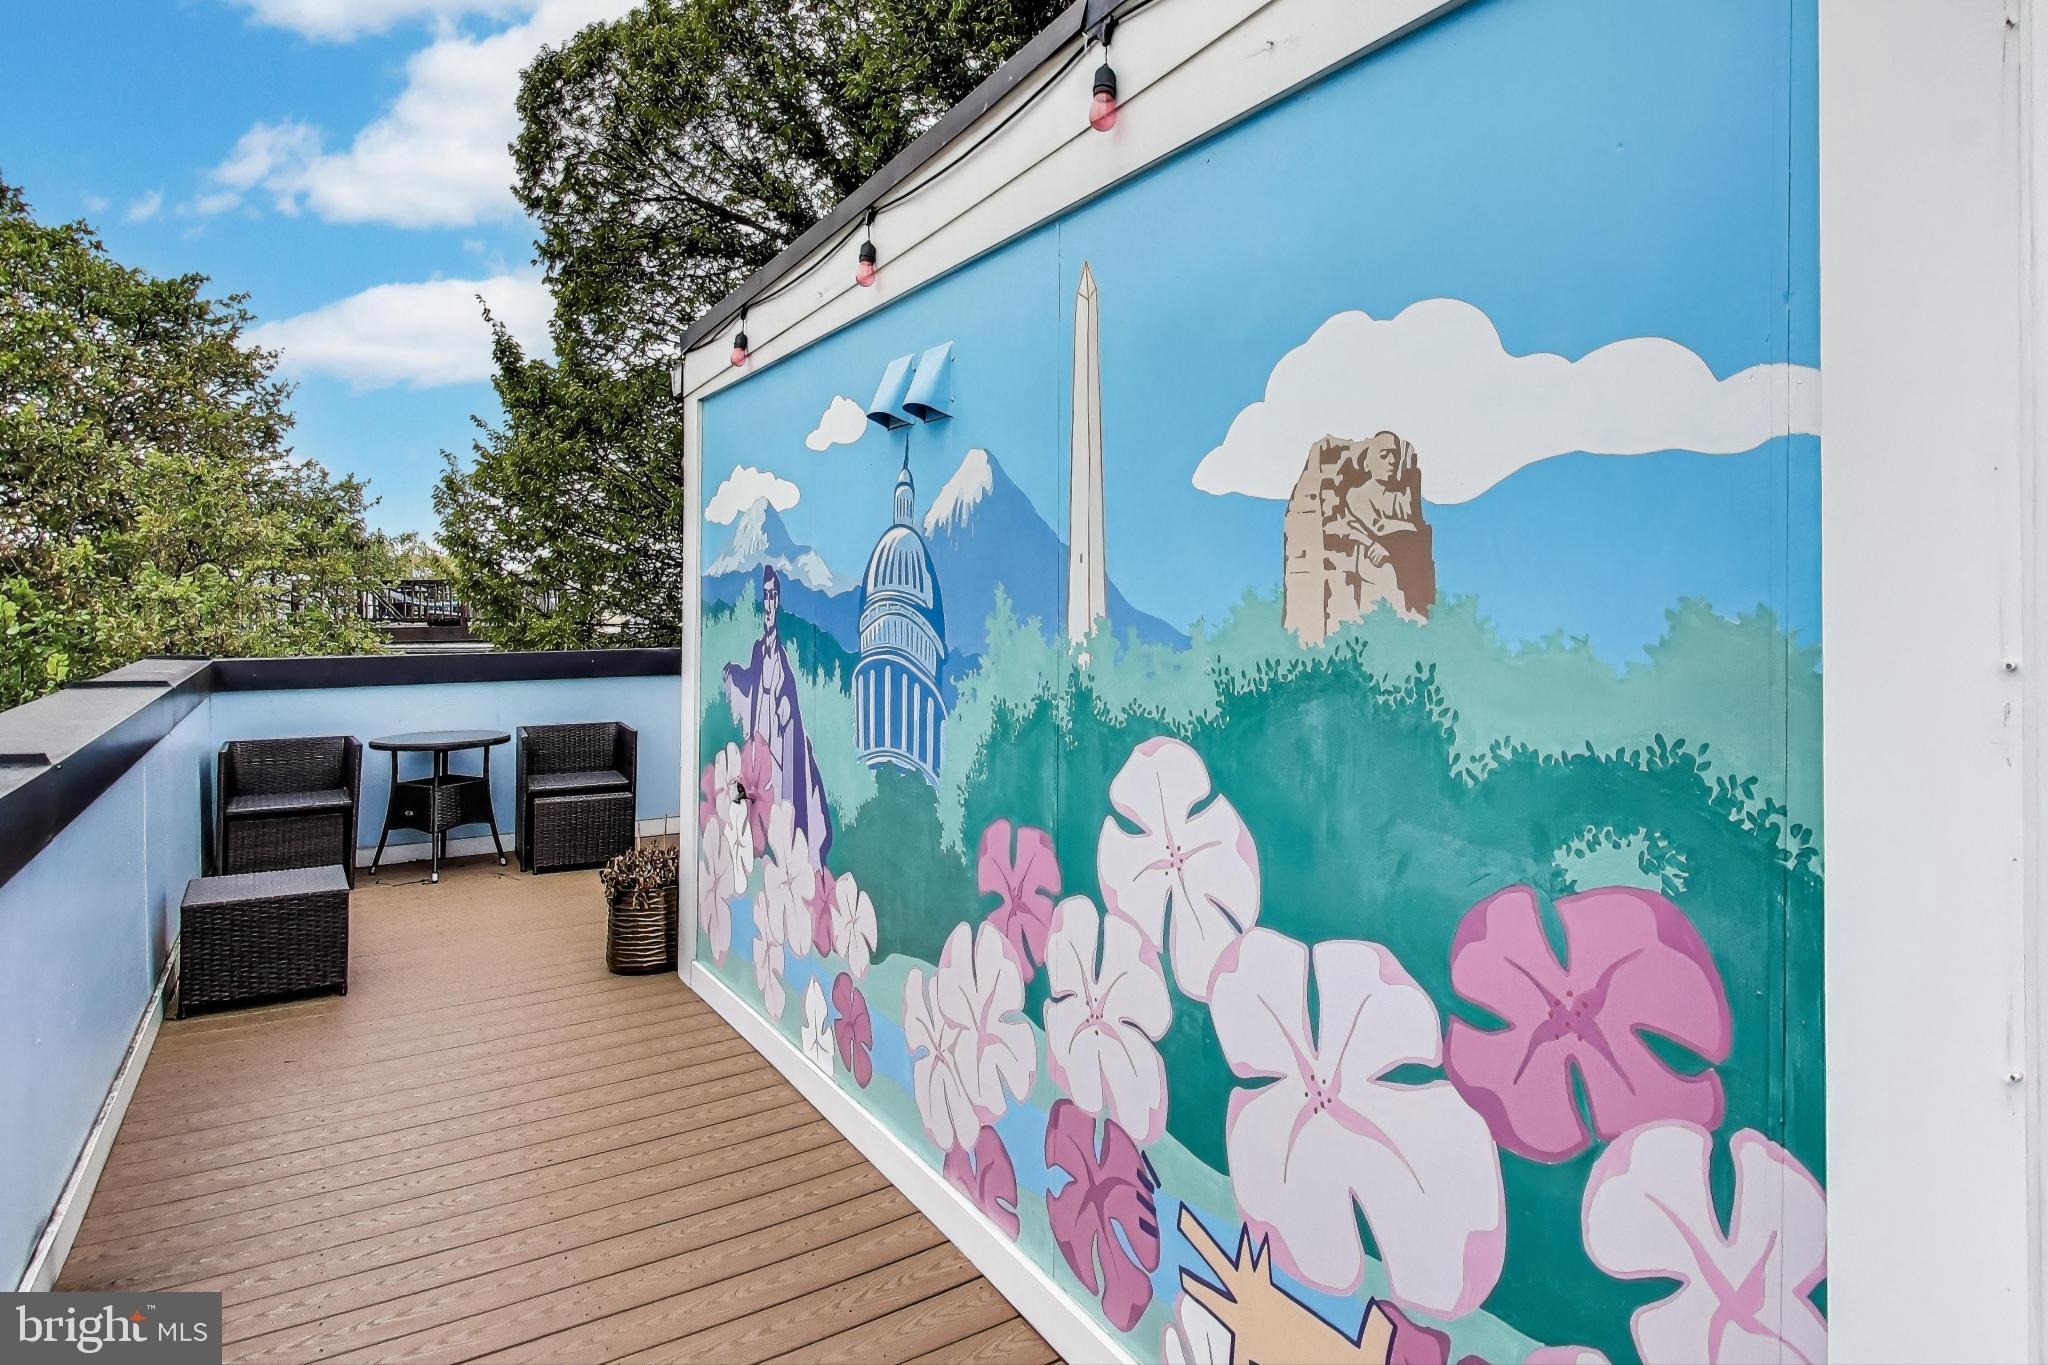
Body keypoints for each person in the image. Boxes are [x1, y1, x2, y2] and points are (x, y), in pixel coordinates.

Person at [723, 565, 832, 858]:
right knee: (756, 807)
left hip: (779, 753)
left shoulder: (783, 656)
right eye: (766, 596)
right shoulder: (760, 649)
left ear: (779, 602)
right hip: (762, 747)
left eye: (773, 596)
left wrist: (785, 708)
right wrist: (733, 674)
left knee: (781, 814)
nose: (769, 603)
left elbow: (788, 702)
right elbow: (751, 681)